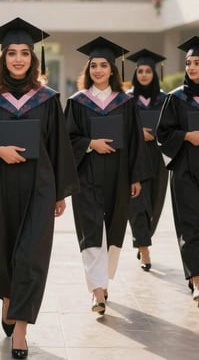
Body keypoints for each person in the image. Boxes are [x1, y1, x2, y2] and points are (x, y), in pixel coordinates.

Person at [0, 17, 79, 359]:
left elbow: (58, 147)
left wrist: (59, 193)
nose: (18, 59)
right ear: (2, 58)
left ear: (33, 58)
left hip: (38, 188)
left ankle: (21, 331)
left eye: (24, 53)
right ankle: (8, 299)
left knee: (31, 257)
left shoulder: (46, 99)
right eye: (11, 53)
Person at [64, 36, 151, 315]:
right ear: (88, 70)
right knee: (90, 231)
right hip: (86, 174)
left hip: (119, 175)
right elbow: (68, 139)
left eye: (103, 65)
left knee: (114, 232)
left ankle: (102, 280)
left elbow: (136, 141)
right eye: (93, 66)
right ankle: (97, 292)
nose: (98, 70)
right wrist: (91, 143)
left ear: (113, 70)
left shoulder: (126, 103)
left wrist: (136, 177)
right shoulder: (77, 102)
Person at [156, 35, 199, 303]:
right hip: (185, 170)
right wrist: (186, 136)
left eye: (197, 62)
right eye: (188, 63)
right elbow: (163, 133)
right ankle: (196, 280)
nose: (192, 67)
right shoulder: (176, 98)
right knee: (190, 225)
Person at [126, 49, 168, 271]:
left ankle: (143, 238)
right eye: (140, 71)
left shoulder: (164, 99)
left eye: (147, 71)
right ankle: (144, 249)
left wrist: (158, 133)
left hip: (158, 156)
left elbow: (172, 126)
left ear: (154, 73)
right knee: (137, 202)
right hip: (135, 156)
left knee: (154, 202)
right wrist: (137, 132)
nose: (143, 74)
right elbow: (120, 127)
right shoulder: (127, 99)